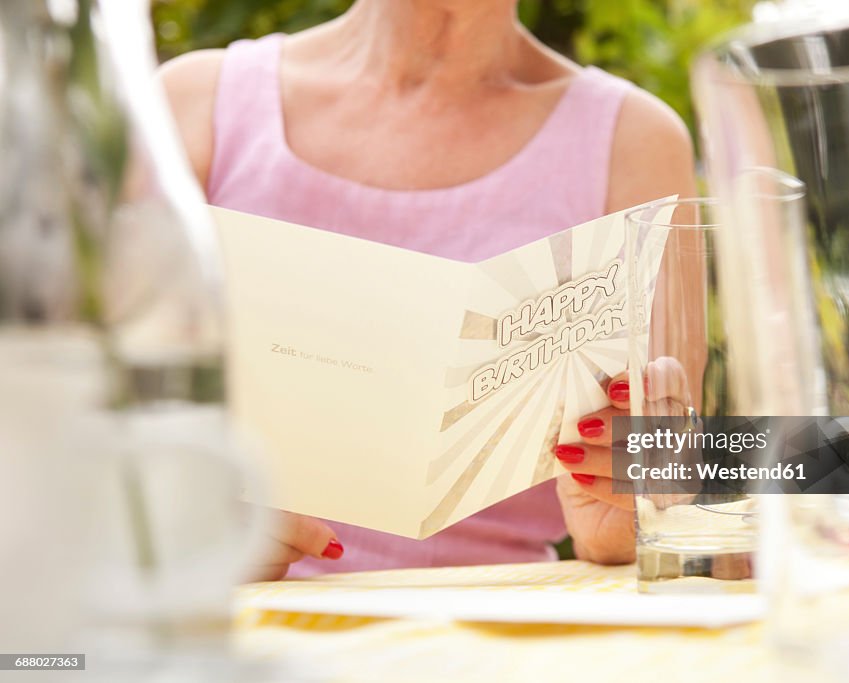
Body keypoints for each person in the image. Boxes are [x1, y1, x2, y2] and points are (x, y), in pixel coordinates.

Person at [161, 0, 697, 580]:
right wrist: (185, 519)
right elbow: (91, 438)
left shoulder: (635, 143)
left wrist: (629, 523)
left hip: (493, 637)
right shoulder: (193, 104)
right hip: (219, 632)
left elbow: (661, 488)